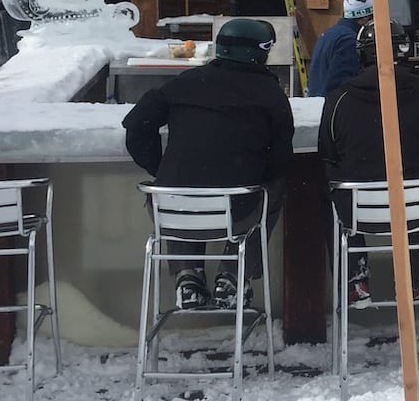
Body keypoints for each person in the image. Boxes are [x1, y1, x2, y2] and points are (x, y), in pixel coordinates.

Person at [122, 17, 294, 310]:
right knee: (274, 187)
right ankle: (233, 274)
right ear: (259, 53)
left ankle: (187, 277)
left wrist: (160, 168)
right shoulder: (271, 95)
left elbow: (137, 125)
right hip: (236, 209)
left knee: (181, 190)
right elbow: (280, 161)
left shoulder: (185, 83)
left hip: (170, 209)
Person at [317, 19, 419, 303]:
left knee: (329, 192)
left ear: (361, 54)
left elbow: (328, 153)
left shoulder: (339, 99)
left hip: (358, 211)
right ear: (404, 51)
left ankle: (354, 278)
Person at [305, 0, 372, 98]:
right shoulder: (350, 40)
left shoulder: (331, 33)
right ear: (364, 18)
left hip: (319, 101)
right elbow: (342, 84)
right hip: (332, 104)